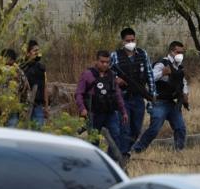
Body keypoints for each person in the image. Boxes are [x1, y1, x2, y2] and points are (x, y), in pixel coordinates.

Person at [133, 41, 189, 152]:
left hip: (172, 103)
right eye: (178, 52)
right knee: (154, 129)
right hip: (158, 102)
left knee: (180, 127)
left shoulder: (178, 67)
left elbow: (183, 81)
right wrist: (162, 73)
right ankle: (138, 149)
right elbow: (150, 78)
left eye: (182, 53)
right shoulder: (161, 64)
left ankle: (180, 150)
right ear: (172, 51)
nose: (180, 55)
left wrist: (185, 93)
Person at [110, 27, 156, 158]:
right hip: (122, 99)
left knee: (136, 129)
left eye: (133, 39)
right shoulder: (115, 56)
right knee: (125, 129)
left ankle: (122, 151)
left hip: (138, 98)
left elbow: (150, 75)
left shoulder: (142, 54)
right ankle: (123, 156)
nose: (131, 42)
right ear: (122, 42)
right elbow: (106, 75)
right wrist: (115, 79)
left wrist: (151, 96)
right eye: (127, 40)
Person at [75, 50, 128, 156]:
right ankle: (95, 162)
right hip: (94, 113)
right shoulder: (87, 74)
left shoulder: (112, 75)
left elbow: (118, 95)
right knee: (94, 140)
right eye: (102, 61)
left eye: (107, 62)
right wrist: (82, 109)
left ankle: (111, 161)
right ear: (96, 61)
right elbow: (78, 94)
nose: (105, 64)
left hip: (110, 113)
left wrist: (123, 111)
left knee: (115, 136)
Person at [20, 39, 49, 127]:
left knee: (38, 131)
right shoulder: (22, 68)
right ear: (28, 53)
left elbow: (45, 87)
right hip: (24, 106)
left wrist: (46, 106)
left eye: (38, 50)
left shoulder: (41, 68)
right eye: (34, 51)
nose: (37, 53)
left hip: (38, 106)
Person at [1, 48, 30, 127]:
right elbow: (26, 91)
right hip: (1, 110)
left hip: (7, 110)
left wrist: (24, 109)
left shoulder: (19, 73)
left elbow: (25, 91)